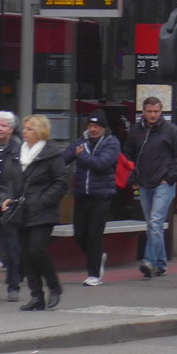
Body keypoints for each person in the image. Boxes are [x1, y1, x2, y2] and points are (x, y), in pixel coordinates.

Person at [0, 115, 68, 311]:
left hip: (43, 211)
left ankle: (54, 287)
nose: (24, 131)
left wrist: (41, 201)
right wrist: (8, 197)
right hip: (20, 210)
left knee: (36, 250)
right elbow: (10, 180)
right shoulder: (17, 152)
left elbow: (60, 183)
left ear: (40, 131)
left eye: (29, 129)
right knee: (26, 255)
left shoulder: (51, 154)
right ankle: (36, 295)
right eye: (24, 128)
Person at [123, 96, 177, 278]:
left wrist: (170, 178)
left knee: (156, 222)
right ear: (143, 112)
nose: (152, 115)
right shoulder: (136, 131)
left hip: (163, 183)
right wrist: (133, 175)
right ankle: (161, 263)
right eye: (149, 111)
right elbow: (127, 155)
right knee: (152, 224)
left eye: (156, 112)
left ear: (161, 111)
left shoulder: (171, 131)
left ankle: (149, 261)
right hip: (143, 183)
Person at [64, 110, 120, 286]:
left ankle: (94, 275)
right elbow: (64, 158)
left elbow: (102, 164)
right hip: (82, 194)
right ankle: (97, 256)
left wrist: (82, 155)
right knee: (79, 233)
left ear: (103, 128)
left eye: (96, 126)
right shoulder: (80, 141)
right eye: (90, 125)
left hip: (102, 195)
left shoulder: (112, 143)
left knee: (94, 234)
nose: (93, 129)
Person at [0, 110, 23, 302]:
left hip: (10, 203)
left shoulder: (19, 150)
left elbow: (20, 180)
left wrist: (11, 199)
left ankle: (13, 285)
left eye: (4, 125)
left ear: (11, 129)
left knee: (12, 246)